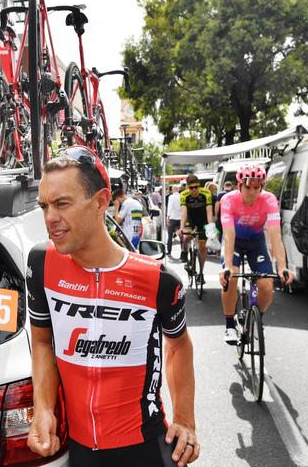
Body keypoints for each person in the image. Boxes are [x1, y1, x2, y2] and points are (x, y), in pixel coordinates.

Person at [27, 145, 199, 466]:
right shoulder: (41, 263)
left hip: (145, 449)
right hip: (76, 450)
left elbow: (178, 347)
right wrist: (43, 409)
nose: (50, 218)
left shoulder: (158, 279)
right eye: (44, 206)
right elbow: (41, 342)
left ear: (101, 202)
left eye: (62, 204)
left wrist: (186, 420)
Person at [218, 163, 294, 345]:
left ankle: (255, 318)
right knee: (232, 279)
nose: (252, 192)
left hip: (256, 242)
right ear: (239, 186)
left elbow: (275, 235)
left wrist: (282, 266)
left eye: (257, 187)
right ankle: (229, 324)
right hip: (234, 240)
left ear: (262, 186)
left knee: (267, 286)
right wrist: (227, 266)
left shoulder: (269, 200)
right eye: (248, 187)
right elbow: (228, 234)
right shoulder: (228, 200)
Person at [179, 174, 213, 282]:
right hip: (191, 220)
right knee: (186, 237)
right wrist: (181, 228)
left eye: (196, 187)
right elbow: (184, 212)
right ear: (187, 187)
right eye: (191, 188)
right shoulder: (184, 195)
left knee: (202, 247)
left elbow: (209, 211)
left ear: (199, 186)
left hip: (203, 220)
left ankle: (201, 273)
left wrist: (211, 226)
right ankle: (184, 252)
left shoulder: (206, 193)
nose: (194, 190)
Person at [167, 184, 182, 257]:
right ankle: (183, 251)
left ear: (172, 190)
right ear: (178, 190)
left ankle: (169, 251)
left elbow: (170, 207)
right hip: (180, 218)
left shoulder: (171, 197)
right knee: (181, 236)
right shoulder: (181, 196)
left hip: (172, 218)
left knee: (170, 236)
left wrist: (168, 217)